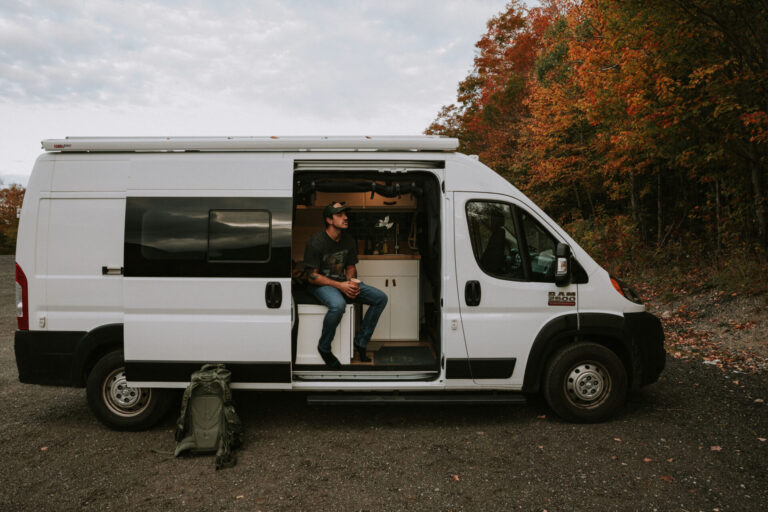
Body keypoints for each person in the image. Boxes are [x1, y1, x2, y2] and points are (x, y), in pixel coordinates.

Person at [303, 202, 388, 369]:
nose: (346, 217)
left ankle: (361, 342)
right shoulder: (316, 242)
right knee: (338, 305)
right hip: (321, 285)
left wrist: (351, 283)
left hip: (342, 282)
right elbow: (312, 276)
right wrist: (341, 286)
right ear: (329, 220)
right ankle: (324, 347)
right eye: (340, 215)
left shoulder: (348, 240)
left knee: (380, 298)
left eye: (345, 214)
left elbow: (350, 267)